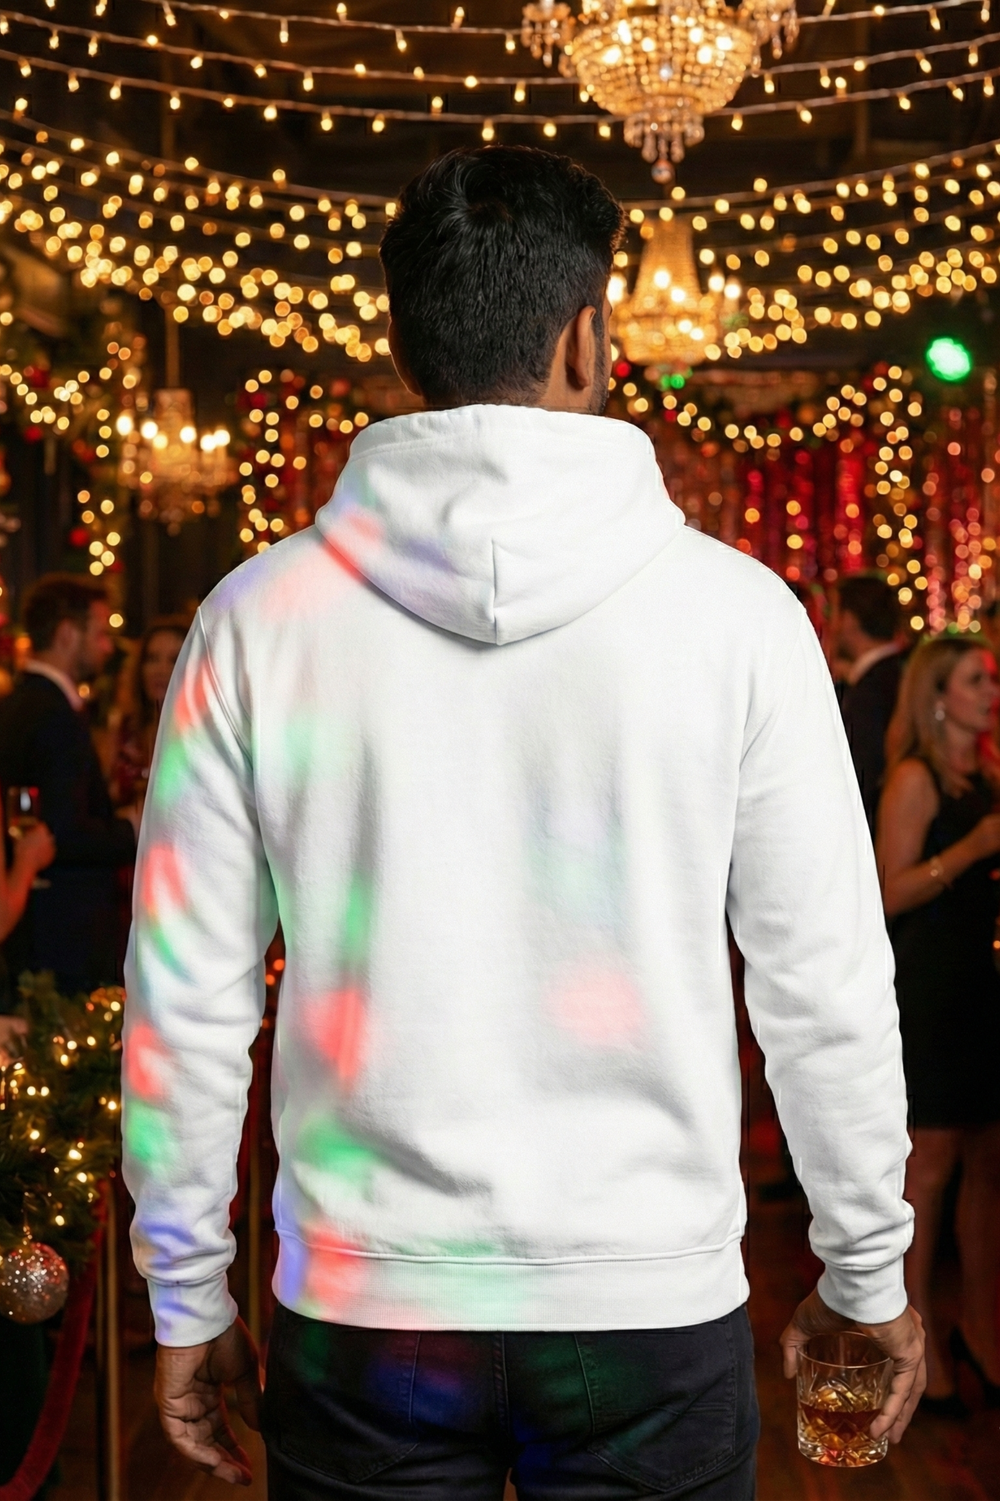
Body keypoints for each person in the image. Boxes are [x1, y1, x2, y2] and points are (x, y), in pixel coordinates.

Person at [124, 146, 923, 1499]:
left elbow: (187, 997)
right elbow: (819, 980)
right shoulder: (739, 617)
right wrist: (866, 1266)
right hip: (645, 1293)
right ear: (588, 339)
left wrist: (188, 1291)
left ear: (404, 349)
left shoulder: (255, 620)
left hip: (367, 1301)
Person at [877, 636, 1000, 1414]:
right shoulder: (915, 778)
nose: (991, 691)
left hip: (983, 990)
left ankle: (982, 1332)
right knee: (928, 1172)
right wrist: (971, 849)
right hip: (930, 990)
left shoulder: (985, 775)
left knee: (988, 1165)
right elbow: (886, 891)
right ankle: (918, 1348)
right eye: (976, 679)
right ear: (938, 696)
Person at [0, 575, 138, 995]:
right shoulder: (55, 715)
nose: (108, 648)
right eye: (100, 634)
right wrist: (132, 827)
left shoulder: (15, 704)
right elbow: (62, 833)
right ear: (66, 635)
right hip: (61, 936)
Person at [833, 574, 906, 831]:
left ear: (849, 620)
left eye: (834, 613)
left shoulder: (869, 693)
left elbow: (861, 778)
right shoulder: (899, 671)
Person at [105, 617, 189, 808]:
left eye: (174, 660)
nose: (160, 670)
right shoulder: (125, 729)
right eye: (152, 659)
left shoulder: (204, 736)